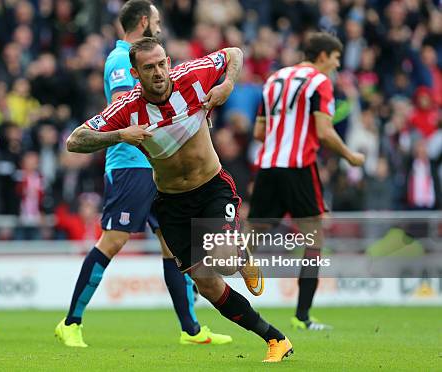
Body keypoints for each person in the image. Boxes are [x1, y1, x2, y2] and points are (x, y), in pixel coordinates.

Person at [66, 37, 292, 363]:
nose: (158, 72)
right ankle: (275, 339)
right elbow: (75, 140)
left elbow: (234, 54)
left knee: (224, 260)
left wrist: (227, 85)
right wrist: (120, 135)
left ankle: (240, 254)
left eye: (161, 64)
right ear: (135, 72)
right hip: (171, 204)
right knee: (209, 285)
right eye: (149, 68)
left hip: (212, 187)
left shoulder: (192, 76)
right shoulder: (127, 109)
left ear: (169, 62)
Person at [55, 0, 236, 348]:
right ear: (143, 21)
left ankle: (192, 329)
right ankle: (71, 322)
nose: (160, 24)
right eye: (156, 19)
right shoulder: (121, 59)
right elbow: (131, 107)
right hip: (132, 164)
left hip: (156, 166)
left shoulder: (138, 57)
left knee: (172, 247)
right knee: (115, 239)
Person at [249, 32, 365, 330]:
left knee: (252, 237)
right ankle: (302, 316)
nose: (337, 65)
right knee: (314, 239)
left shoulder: (274, 79)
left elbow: (260, 133)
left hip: (268, 166)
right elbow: (324, 132)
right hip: (299, 166)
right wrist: (350, 156)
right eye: (336, 58)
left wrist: (283, 132)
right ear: (323, 55)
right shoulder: (319, 81)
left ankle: (201, 277)